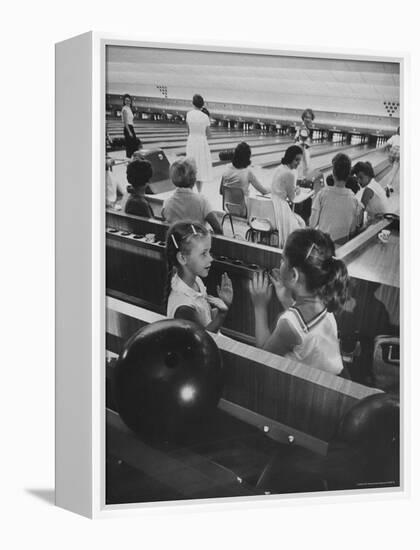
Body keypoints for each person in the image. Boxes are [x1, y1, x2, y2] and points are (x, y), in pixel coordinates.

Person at [249, 228, 349, 376]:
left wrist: (260, 305)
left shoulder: (288, 324)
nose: (280, 263)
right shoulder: (324, 300)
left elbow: (264, 356)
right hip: (332, 381)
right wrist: (286, 300)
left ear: (293, 275)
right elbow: (304, 330)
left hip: (307, 391)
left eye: (283, 260)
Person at [165, 221, 233, 332]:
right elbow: (203, 339)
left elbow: (206, 316)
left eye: (209, 252)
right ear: (182, 258)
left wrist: (224, 303)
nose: (211, 258)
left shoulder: (196, 281)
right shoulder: (184, 308)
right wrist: (222, 314)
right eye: (204, 253)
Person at [309, 154, 361, 244]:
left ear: (333, 173)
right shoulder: (354, 200)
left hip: (323, 244)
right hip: (342, 246)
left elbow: (312, 224)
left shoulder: (322, 194)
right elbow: (352, 230)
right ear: (348, 175)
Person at [162, 158, 222, 234]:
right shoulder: (202, 202)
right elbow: (218, 229)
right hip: (198, 244)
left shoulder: (167, 203)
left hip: (177, 244)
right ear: (193, 179)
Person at [271, 145, 306, 248]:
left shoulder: (279, 168)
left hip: (272, 204)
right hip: (281, 207)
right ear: (290, 158)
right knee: (301, 224)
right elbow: (293, 198)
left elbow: (281, 188)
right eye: (296, 160)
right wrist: (298, 191)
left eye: (299, 160)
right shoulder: (290, 173)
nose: (298, 163)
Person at [186, 94, 213, 192]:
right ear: (202, 104)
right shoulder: (205, 117)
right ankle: (199, 192)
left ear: (193, 103)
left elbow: (188, 131)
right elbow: (209, 135)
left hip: (191, 141)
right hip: (201, 143)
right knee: (200, 167)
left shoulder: (188, 114)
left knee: (191, 166)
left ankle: (190, 191)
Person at [295, 108, 315, 179]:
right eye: (306, 117)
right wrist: (305, 162)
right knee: (302, 174)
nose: (308, 119)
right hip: (301, 154)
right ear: (303, 118)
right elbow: (302, 146)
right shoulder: (304, 129)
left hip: (298, 153)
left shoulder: (303, 128)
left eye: (309, 118)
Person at [121, 94, 141, 158]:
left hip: (131, 127)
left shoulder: (129, 108)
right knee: (130, 145)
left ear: (130, 101)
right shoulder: (124, 109)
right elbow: (125, 122)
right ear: (124, 101)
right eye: (126, 100)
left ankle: (133, 159)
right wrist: (129, 132)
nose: (127, 101)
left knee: (133, 145)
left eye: (129, 100)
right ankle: (129, 159)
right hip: (128, 128)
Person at [384, 127, 400, 195]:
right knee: (395, 171)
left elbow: (387, 143)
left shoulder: (394, 137)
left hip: (392, 152)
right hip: (399, 152)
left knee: (393, 170)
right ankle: (388, 185)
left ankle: (389, 185)